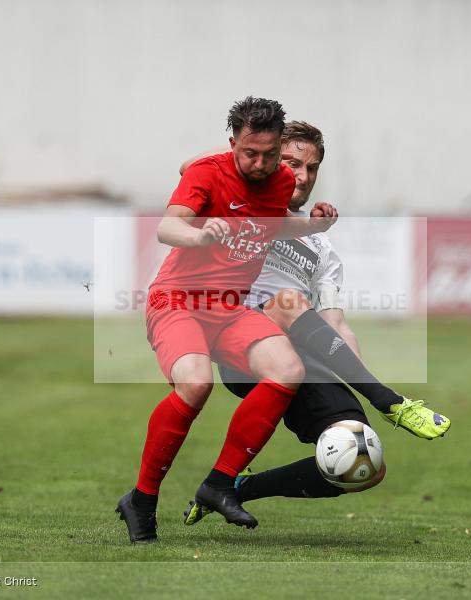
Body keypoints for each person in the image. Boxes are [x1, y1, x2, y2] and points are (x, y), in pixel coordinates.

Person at [180, 121, 450, 526]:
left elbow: (336, 323)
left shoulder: (321, 245)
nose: (303, 176)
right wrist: (256, 160)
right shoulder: (242, 202)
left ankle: (233, 488)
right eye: (291, 163)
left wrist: (355, 377)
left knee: (365, 463)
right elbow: (189, 168)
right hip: (245, 342)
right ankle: (389, 401)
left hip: (304, 349)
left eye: (312, 168)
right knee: (289, 302)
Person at [116, 98, 338, 543]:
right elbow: (168, 227)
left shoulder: (279, 182)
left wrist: (313, 228)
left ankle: (219, 484)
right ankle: (141, 498)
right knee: (196, 384)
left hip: (229, 308)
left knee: (287, 368)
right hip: (178, 302)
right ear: (233, 143)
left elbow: (272, 225)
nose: (260, 164)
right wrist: (199, 234)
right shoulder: (207, 172)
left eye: (269, 155)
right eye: (249, 153)